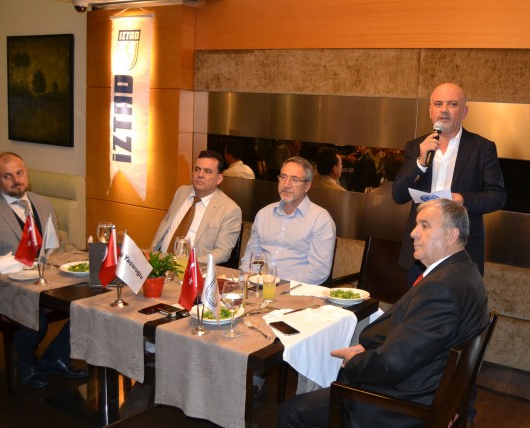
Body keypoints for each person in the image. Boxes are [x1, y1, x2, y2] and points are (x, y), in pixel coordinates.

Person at [278, 198, 489, 428]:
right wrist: (368, 348)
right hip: (427, 384)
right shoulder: (466, 271)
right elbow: (416, 341)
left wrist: (355, 361)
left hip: (404, 404)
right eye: (416, 225)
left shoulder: (441, 287)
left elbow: (392, 363)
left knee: (292, 411)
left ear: (451, 236)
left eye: (425, 226)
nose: (413, 233)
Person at [0, 152, 87, 388]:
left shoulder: (43, 203)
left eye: (20, 173)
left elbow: (55, 248)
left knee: (89, 306)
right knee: (36, 319)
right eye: (7, 176)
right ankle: (24, 361)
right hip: (3, 286)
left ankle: (55, 357)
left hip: (48, 281)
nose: (16, 180)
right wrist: (7, 263)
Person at [392, 82, 506, 286]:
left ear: (464, 111)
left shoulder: (482, 148)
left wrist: (463, 200)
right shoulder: (416, 147)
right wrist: (420, 163)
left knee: (456, 305)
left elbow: (497, 196)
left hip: (462, 249)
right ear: (430, 110)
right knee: (417, 305)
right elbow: (398, 195)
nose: (444, 110)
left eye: (452, 104)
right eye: (438, 104)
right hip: (420, 249)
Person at [242, 156, 336, 285]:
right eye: (283, 177)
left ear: (307, 186)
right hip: (259, 286)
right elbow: (251, 256)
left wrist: (281, 286)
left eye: (294, 179)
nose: (286, 184)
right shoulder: (264, 214)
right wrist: (250, 280)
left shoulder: (320, 219)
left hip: (296, 290)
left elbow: (318, 270)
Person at [151, 150, 242, 265]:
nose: (200, 175)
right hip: (161, 263)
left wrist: (190, 264)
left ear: (219, 178)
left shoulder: (230, 209)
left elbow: (223, 252)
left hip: (194, 269)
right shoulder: (181, 192)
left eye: (208, 171)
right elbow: (165, 224)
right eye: (197, 169)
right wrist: (153, 250)